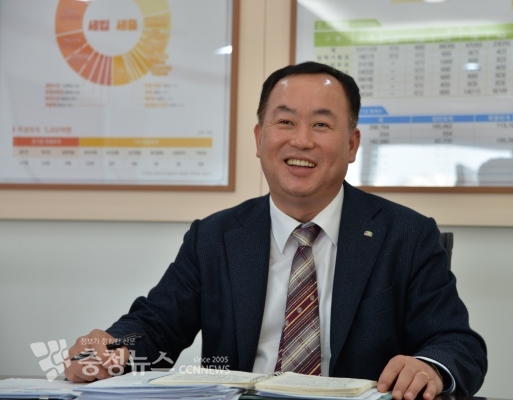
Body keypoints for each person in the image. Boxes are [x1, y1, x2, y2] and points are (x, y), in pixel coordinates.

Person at [64, 62, 487, 400]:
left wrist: (430, 367)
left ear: (352, 144)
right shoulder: (214, 237)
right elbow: (156, 326)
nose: (300, 141)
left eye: (321, 125)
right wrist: (114, 345)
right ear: (259, 137)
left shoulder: (407, 236)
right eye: (285, 122)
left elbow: (456, 343)